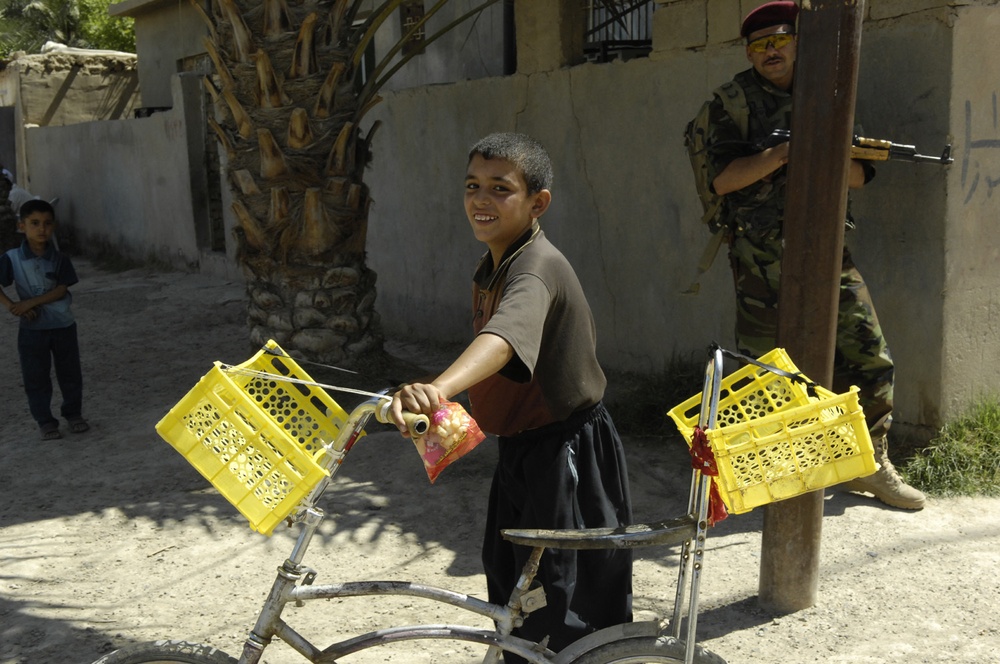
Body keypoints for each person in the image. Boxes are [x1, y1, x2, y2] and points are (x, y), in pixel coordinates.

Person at [390, 132, 633, 660]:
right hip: (522, 450)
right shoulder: (493, 265)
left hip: (565, 449)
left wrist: (438, 390)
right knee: (512, 581)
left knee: (566, 601)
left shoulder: (536, 267)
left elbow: (502, 340)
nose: (481, 199)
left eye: (501, 188)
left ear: (536, 202)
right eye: (473, 185)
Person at [699, 1, 925, 509]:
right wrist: (784, 152)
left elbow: (861, 178)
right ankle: (775, 478)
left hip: (825, 250)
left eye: (779, 39)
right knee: (766, 373)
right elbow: (723, 178)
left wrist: (830, 145)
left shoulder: (828, 93)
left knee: (870, 354)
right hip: (761, 260)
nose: (769, 51)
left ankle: (867, 465)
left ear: (799, 42)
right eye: (758, 45)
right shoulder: (731, 102)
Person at [0, 198, 88, 439]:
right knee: (35, 376)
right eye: (35, 223)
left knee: (69, 373)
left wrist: (28, 303)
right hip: (32, 330)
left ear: (54, 226)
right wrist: (12, 306)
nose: (41, 229)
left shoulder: (60, 259)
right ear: (22, 226)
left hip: (63, 325)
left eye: (47, 224)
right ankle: (45, 421)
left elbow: (61, 290)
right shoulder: (12, 258)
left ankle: (73, 414)